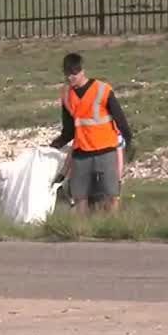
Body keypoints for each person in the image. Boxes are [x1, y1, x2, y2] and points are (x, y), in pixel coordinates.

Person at [50, 52, 134, 215]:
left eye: (73, 73)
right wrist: (55, 145)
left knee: (111, 195)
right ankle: (82, 232)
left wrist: (129, 142)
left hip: (106, 150)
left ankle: (113, 228)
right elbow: (69, 131)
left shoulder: (102, 90)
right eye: (67, 74)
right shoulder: (67, 95)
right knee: (80, 196)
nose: (70, 77)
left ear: (82, 71)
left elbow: (121, 120)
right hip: (81, 153)